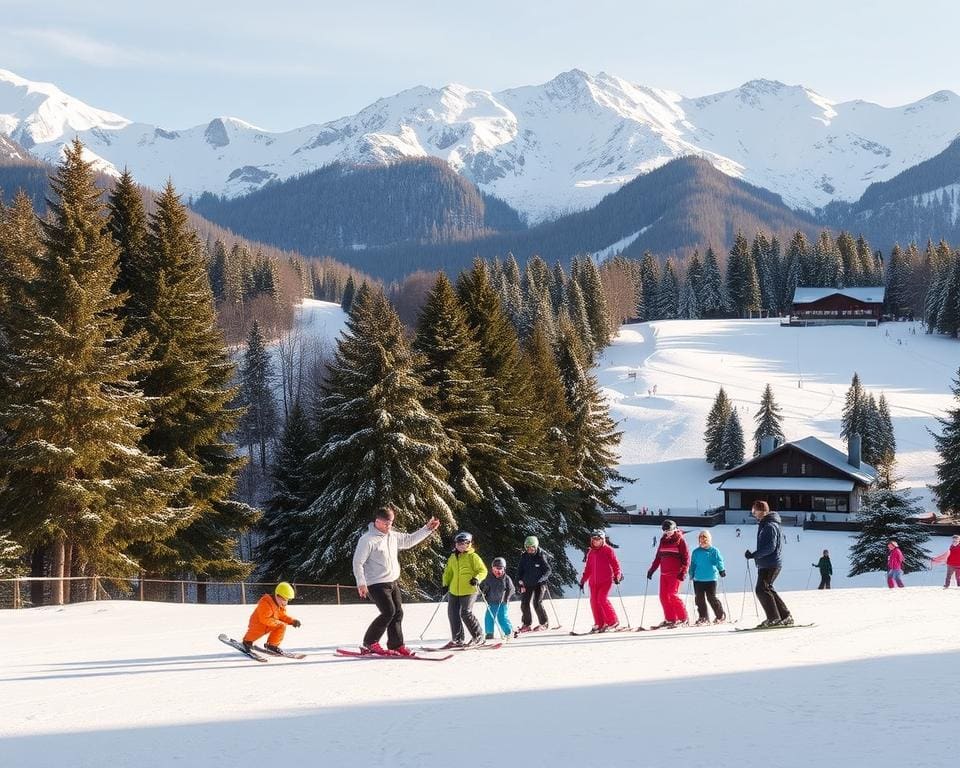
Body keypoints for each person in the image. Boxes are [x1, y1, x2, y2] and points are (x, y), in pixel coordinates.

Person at [352, 505, 440, 656]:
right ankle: (370, 642)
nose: (389, 526)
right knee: (388, 612)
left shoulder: (392, 536)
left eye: (391, 522)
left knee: (398, 613)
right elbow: (357, 562)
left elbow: (409, 540)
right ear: (377, 522)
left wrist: (427, 529)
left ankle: (396, 645)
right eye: (386, 523)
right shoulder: (367, 540)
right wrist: (361, 583)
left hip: (392, 582)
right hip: (375, 583)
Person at [745, 501, 793, 627]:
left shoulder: (769, 526)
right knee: (767, 588)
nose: (754, 514)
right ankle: (785, 616)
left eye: (755, 511)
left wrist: (754, 555)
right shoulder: (766, 524)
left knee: (762, 589)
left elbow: (770, 547)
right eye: (752, 511)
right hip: (767, 563)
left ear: (763, 511)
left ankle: (774, 618)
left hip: (770, 563)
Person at [441, 531, 488, 647]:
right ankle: (457, 639)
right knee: (452, 614)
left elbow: (483, 570)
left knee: (466, 613)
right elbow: (448, 572)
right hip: (454, 590)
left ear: (469, 544)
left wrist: (476, 579)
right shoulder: (452, 557)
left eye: (464, 544)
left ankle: (478, 636)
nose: (461, 546)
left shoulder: (473, 557)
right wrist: (445, 584)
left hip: (469, 590)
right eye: (459, 543)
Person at [647, 519, 689, 628]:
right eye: (665, 531)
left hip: (676, 574)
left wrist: (683, 572)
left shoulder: (680, 541)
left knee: (673, 595)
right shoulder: (663, 540)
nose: (667, 533)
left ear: (674, 529)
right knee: (663, 596)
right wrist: (652, 570)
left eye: (669, 531)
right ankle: (670, 619)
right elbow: (658, 557)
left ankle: (683, 618)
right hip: (664, 574)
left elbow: (686, 558)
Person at [579, 529, 623, 632]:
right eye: (594, 540)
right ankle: (600, 623)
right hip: (593, 583)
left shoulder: (608, 550)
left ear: (602, 540)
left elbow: (615, 565)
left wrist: (617, 576)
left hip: (605, 581)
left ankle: (613, 621)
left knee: (602, 599)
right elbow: (588, 568)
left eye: (598, 539)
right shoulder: (591, 552)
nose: (595, 542)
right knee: (594, 601)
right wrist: (583, 580)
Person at [242, 581, 301, 653]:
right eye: (284, 599)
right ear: (277, 595)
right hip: (258, 624)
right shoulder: (266, 603)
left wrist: (292, 621)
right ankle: (247, 642)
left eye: (287, 600)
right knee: (255, 633)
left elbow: (282, 616)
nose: (285, 603)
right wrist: (277, 623)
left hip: (270, 624)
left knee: (282, 626)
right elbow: (264, 618)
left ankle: (272, 645)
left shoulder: (280, 606)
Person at [689, 530, 726, 625]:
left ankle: (720, 615)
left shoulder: (714, 551)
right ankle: (703, 617)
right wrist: (691, 573)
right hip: (698, 579)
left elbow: (719, 561)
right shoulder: (696, 552)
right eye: (701, 539)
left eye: (705, 539)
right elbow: (693, 564)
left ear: (709, 540)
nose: (702, 541)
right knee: (699, 599)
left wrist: (721, 570)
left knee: (711, 597)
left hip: (711, 579)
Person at [517, 535, 552, 632]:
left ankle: (544, 623)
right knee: (524, 603)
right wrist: (519, 582)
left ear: (536, 547)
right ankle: (526, 624)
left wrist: (542, 579)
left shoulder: (541, 556)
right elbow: (519, 571)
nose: (530, 550)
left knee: (537, 602)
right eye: (528, 548)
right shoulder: (524, 556)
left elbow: (548, 570)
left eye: (532, 548)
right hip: (527, 583)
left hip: (539, 584)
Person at [480, 557, 515, 639]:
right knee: (489, 617)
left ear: (504, 569)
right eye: (496, 569)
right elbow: (483, 587)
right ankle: (489, 633)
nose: (498, 572)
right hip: (491, 601)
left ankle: (508, 631)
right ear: (492, 569)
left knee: (502, 617)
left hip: (502, 602)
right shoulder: (488, 578)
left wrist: (506, 597)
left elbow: (512, 589)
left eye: (500, 569)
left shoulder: (506, 579)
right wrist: (483, 592)